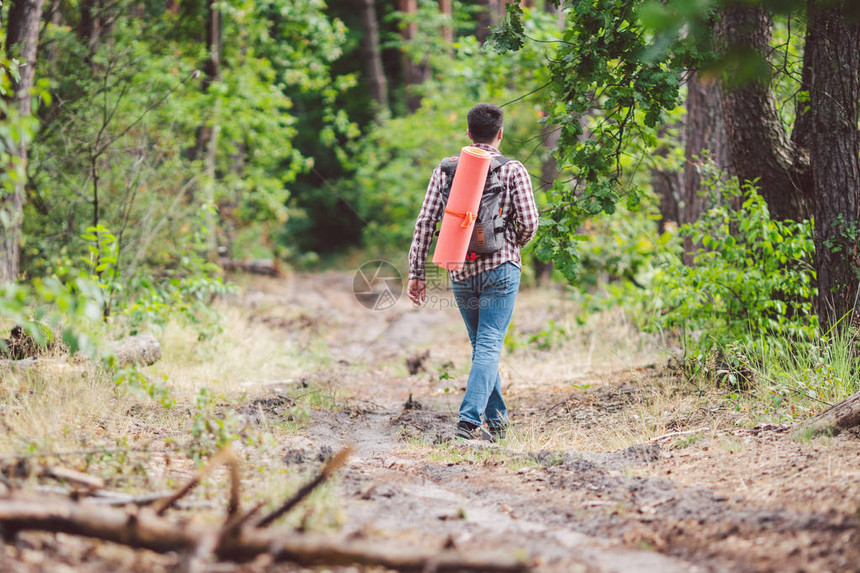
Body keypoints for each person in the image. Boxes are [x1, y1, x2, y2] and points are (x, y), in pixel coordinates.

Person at [406, 102, 539, 441]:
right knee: (489, 343)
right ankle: (468, 420)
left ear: (468, 133)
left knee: (482, 344)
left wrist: (416, 273)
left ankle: (498, 424)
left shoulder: (447, 168)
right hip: (501, 267)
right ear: (500, 134)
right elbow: (529, 222)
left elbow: (426, 221)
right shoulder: (513, 169)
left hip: (461, 268)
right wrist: (512, 245)